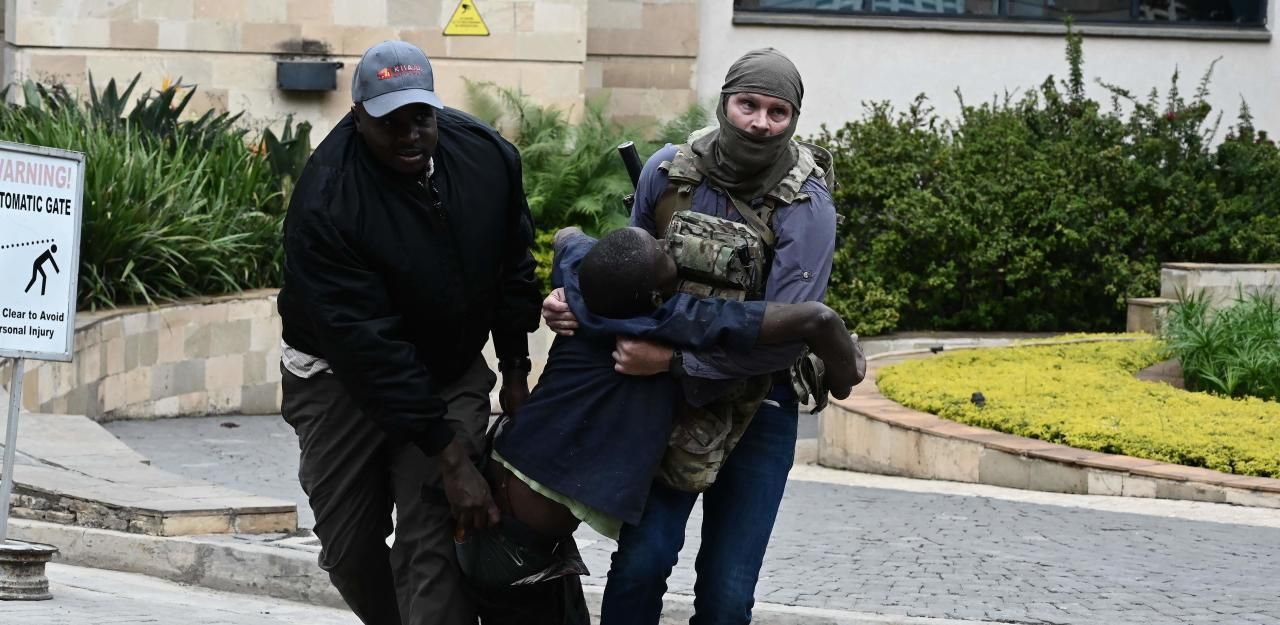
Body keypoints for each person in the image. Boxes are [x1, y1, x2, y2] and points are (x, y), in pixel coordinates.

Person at [543, 48, 837, 624]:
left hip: (761, 402)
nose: (760, 122)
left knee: (727, 593)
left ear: (794, 118)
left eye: (777, 112)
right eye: (748, 104)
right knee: (641, 564)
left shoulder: (807, 204)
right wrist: (570, 303)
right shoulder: (666, 171)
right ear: (725, 102)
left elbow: (786, 336)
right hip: (664, 402)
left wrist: (675, 361)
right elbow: (627, 281)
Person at [458, 226, 858, 623]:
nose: (670, 243)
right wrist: (847, 372)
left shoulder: (581, 280)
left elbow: (566, 236)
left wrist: (562, 288)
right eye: (663, 250)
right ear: (654, 297)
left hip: (503, 485)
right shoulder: (669, 319)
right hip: (514, 549)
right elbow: (817, 318)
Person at [276, 40, 541, 625]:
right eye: (389, 122)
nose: (409, 135)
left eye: (420, 117)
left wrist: (515, 369)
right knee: (349, 552)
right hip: (340, 378)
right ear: (357, 117)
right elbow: (369, 350)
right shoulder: (328, 201)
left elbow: (512, 266)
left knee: (436, 540)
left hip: (447, 368)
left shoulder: (486, 159)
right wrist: (453, 460)